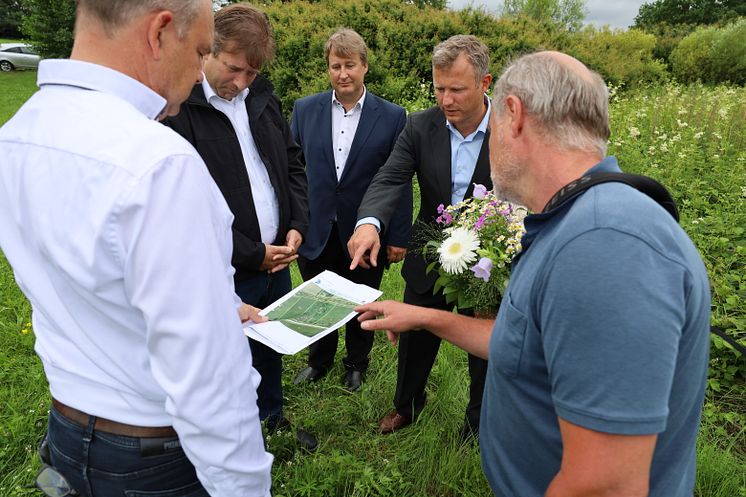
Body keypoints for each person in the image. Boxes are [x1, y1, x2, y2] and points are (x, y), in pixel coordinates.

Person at [356, 51, 711, 497]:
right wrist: (426, 317)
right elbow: (524, 341)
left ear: (513, 115)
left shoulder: (605, 243)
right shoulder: (571, 222)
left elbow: (606, 486)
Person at [0, 1, 275, 496]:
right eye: (198, 52)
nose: (197, 76)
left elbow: (83, 279)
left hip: (64, 431)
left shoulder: (15, 136)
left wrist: (215, 306)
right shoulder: (159, 162)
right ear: (160, 33)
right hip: (154, 456)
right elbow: (207, 376)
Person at [162, 3, 315, 451]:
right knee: (224, 360)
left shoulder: (261, 97)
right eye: (233, 68)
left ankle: (270, 417)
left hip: (277, 259)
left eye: (252, 72)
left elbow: (292, 164)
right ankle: (231, 439)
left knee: (268, 347)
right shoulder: (179, 111)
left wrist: (296, 225)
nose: (241, 82)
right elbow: (183, 209)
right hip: (222, 269)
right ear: (207, 52)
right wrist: (249, 252)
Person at [347, 35, 493, 438]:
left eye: (457, 89)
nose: (446, 100)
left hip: (487, 266)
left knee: (484, 352)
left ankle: (477, 424)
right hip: (429, 258)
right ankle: (406, 407)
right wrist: (369, 223)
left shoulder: (513, 130)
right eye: (439, 88)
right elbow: (391, 176)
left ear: (485, 83)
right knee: (414, 339)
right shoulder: (419, 125)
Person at [289, 28, 412, 392]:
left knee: (361, 298)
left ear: (364, 67)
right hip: (316, 226)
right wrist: (294, 221)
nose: (342, 73)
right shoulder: (305, 109)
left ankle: (356, 364)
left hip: (365, 232)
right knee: (317, 298)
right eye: (335, 66)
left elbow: (399, 179)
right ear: (328, 68)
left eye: (350, 65)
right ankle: (318, 361)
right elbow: (293, 171)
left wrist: (397, 235)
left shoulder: (391, 117)